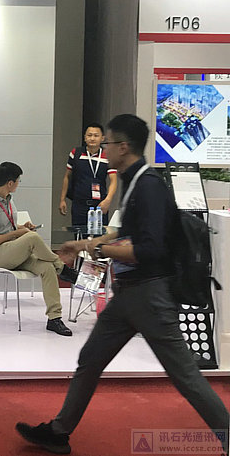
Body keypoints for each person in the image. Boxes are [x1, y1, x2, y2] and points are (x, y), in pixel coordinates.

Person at [17, 114, 229, 455]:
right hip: (130, 295)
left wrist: (100, 250)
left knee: (185, 376)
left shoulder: (148, 186)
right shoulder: (136, 182)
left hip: (150, 296)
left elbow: (147, 249)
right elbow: (124, 234)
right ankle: (59, 431)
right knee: (90, 358)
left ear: (124, 147)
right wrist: (84, 245)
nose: (104, 149)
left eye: (109, 143)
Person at [0, 162, 77, 337]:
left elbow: (8, 228)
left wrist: (23, 227)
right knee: (32, 238)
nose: (18, 184)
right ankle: (63, 268)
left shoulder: (9, 200)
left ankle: (54, 318)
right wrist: (18, 233)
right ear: (10, 183)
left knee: (47, 268)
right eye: (18, 181)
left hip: (14, 251)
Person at [58, 122, 118, 231]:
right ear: (85, 137)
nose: (92, 138)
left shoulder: (107, 155)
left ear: (102, 138)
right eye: (89, 135)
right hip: (79, 204)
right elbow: (67, 177)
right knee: (79, 234)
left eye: (96, 135)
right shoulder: (76, 153)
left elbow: (113, 180)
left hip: (99, 204)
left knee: (99, 235)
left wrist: (108, 200)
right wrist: (62, 199)